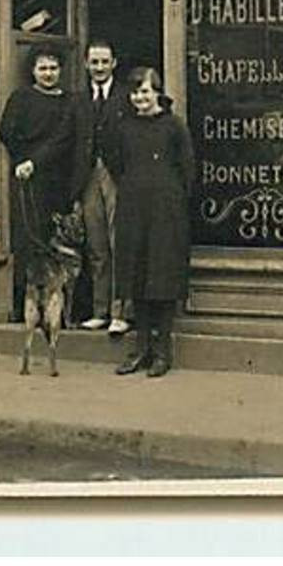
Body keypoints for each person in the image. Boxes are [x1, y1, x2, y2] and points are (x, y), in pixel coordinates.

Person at [107, 67, 194, 378]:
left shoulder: (173, 126)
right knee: (137, 274)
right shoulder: (124, 127)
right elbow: (116, 162)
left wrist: (171, 199)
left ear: (157, 92)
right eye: (134, 93)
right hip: (134, 207)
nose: (139, 98)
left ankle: (162, 352)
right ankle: (140, 348)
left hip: (166, 210)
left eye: (144, 91)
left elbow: (187, 169)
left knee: (162, 275)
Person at [0, 43, 78, 323]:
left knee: (59, 245)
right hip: (28, 179)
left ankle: (59, 311)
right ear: (33, 71)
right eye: (42, 68)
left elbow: (66, 138)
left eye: (53, 68)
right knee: (28, 242)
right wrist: (23, 159)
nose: (48, 73)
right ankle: (26, 308)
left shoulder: (70, 101)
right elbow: (6, 130)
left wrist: (38, 160)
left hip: (58, 179)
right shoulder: (21, 98)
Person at [75, 40, 132, 335]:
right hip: (88, 176)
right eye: (94, 62)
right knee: (96, 245)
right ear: (86, 64)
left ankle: (120, 312)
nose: (99, 67)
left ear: (114, 63)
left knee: (118, 242)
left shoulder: (126, 97)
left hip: (117, 175)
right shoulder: (79, 99)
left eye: (104, 62)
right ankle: (100, 310)